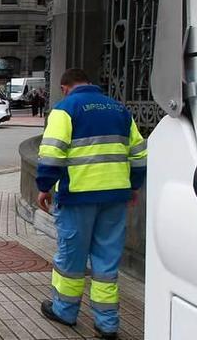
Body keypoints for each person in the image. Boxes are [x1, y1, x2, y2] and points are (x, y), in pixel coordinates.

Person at [36, 68, 147, 340]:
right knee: (107, 262)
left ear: (65, 87)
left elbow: (51, 153)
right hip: (114, 197)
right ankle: (107, 323)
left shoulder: (65, 109)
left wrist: (43, 187)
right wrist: (133, 186)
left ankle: (64, 310)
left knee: (71, 259)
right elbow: (140, 153)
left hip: (78, 196)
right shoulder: (120, 110)